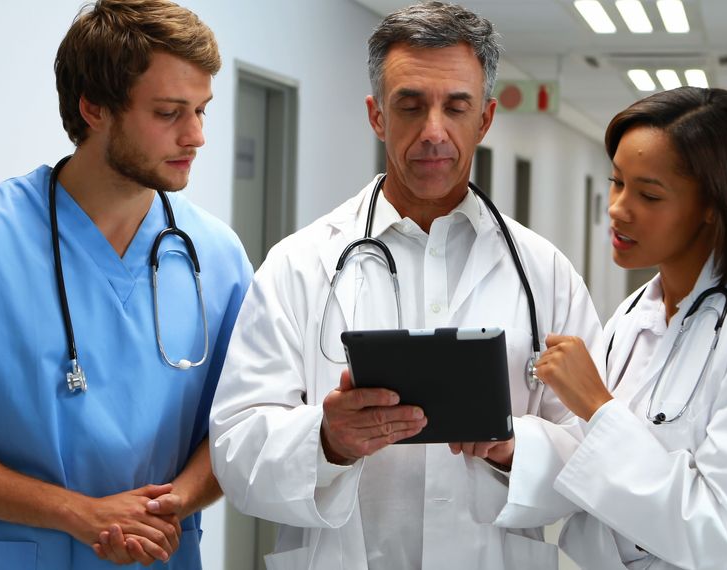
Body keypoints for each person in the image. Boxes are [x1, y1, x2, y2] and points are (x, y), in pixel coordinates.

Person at [0, 1, 252, 568]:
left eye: (202, 111)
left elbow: (240, 423)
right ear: (94, 109)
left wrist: (170, 503)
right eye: (169, 113)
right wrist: (74, 511)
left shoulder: (218, 257)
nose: (196, 136)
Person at [208, 3, 603, 569]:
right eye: (410, 106)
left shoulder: (543, 273)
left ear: (485, 119)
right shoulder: (300, 264)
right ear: (377, 116)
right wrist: (326, 441)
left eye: (456, 107)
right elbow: (234, 447)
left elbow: (594, 442)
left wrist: (517, 451)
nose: (433, 131)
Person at [496, 87, 727, 569]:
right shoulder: (634, 314)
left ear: (714, 205)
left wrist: (595, 404)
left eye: (648, 194)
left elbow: (722, 529)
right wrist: (508, 447)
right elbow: (596, 460)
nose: (617, 208)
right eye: (617, 182)